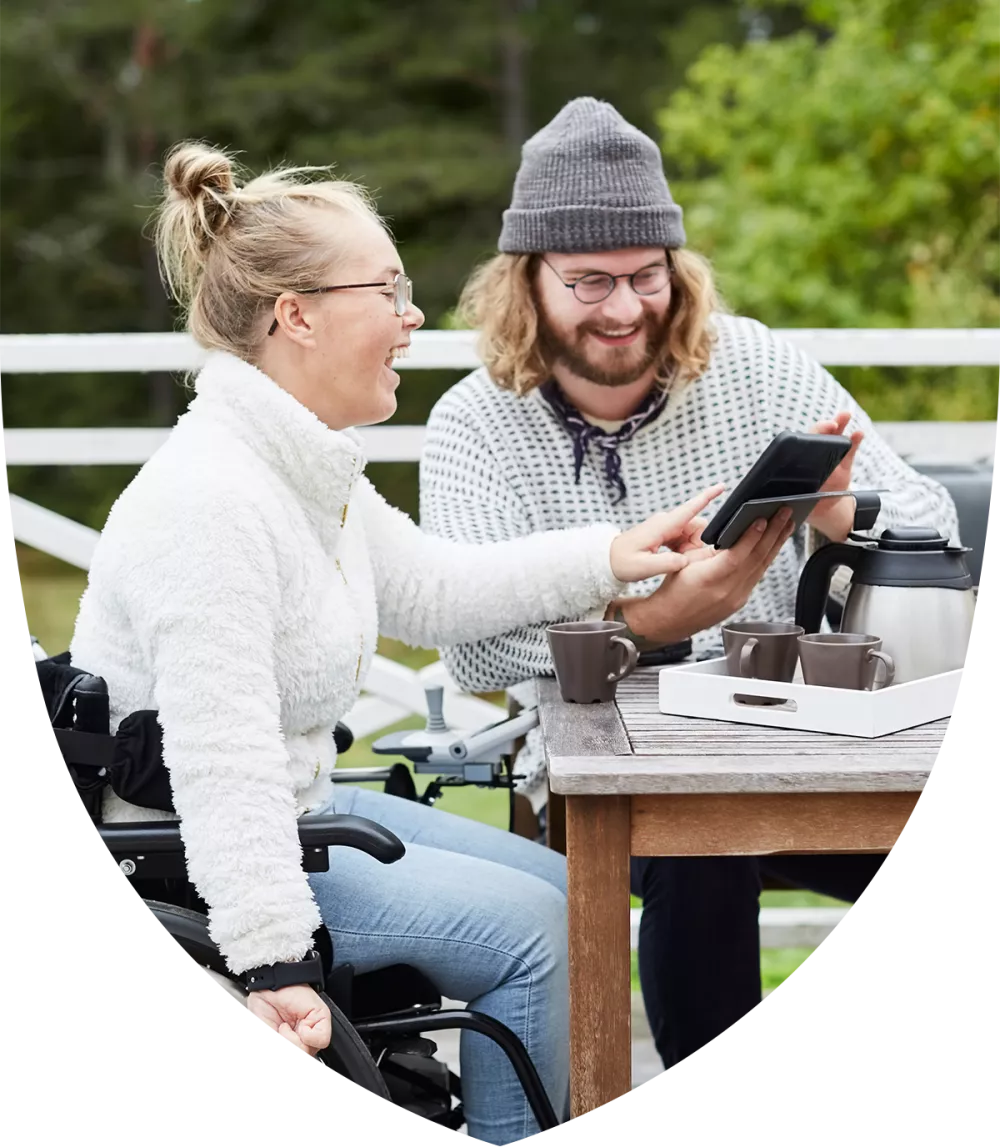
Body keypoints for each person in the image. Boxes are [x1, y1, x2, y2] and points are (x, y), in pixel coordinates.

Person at [66, 139, 753, 1144]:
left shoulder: (305, 466)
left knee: (579, 892)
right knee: (542, 935)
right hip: (195, 853)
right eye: (386, 291)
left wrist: (618, 553)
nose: (412, 317)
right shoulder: (210, 500)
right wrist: (274, 961)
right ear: (296, 316)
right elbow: (220, 763)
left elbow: (435, 587)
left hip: (297, 804)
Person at [418, 97, 961, 1072]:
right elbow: (476, 646)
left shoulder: (750, 362)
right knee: (697, 850)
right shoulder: (472, 422)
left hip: (802, 741)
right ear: (524, 283)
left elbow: (933, 522)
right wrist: (652, 621)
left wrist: (840, 515)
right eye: (588, 281)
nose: (624, 308)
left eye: (646, 275)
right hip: (605, 768)